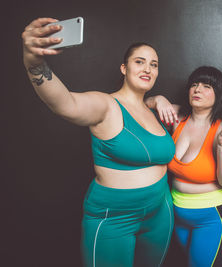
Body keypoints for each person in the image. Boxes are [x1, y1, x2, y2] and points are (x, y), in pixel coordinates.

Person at [22, 18, 176, 267]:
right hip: (114, 217)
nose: (148, 68)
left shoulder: (154, 110)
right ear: (124, 68)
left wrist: (158, 99)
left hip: (161, 211)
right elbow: (66, 103)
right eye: (139, 62)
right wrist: (34, 61)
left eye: (154, 65)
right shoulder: (106, 105)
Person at [145, 66, 222, 267]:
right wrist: (157, 99)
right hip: (178, 214)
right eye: (194, 84)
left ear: (219, 95)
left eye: (206, 86)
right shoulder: (176, 117)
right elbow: (136, 108)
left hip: (215, 216)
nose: (197, 89)